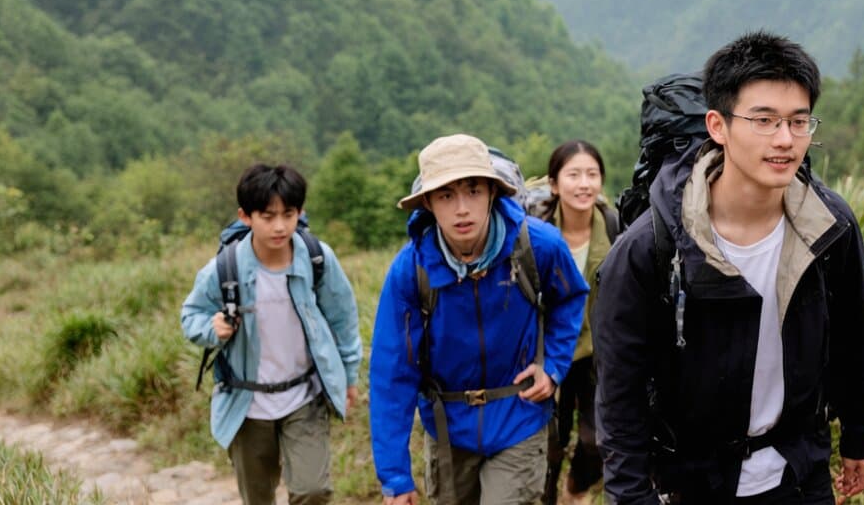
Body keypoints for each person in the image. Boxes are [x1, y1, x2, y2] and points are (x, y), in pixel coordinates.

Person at [594, 31, 864, 505]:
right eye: (764, 121)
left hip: (798, 471)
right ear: (718, 125)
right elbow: (619, 395)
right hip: (690, 481)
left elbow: (857, 336)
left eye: (799, 121)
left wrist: (860, 434)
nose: (785, 140)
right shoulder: (650, 247)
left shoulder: (826, 226)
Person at [369, 133, 589, 505]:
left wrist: (551, 366)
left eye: (473, 191)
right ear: (427, 204)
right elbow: (393, 373)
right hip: (448, 428)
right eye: (446, 196)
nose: (461, 209)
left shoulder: (538, 246)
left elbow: (570, 298)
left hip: (520, 415)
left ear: (492, 192)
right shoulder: (412, 271)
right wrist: (394, 475)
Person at [181, 164, 362, 505]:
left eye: (288, 214)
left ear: (300, 213)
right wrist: (212, 329)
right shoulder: (225, 268)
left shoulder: (316, 257)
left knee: (313, 490)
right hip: (247, 403)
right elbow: (191, 315)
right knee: (258, 497)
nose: (280, 226)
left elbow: (344, 320)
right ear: (246, 216)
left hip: (304, 395)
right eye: (268, 216)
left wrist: (349, 377)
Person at [534, 140, 618, 505]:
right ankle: (546, 496)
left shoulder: (615, 228)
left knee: (597, 440)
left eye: (592, 174)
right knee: (548, 443)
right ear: (554, 184)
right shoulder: (535, 232)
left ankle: (577, 489)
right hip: (547, 354)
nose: (584, 184)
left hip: (597, 354)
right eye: (573, 175)